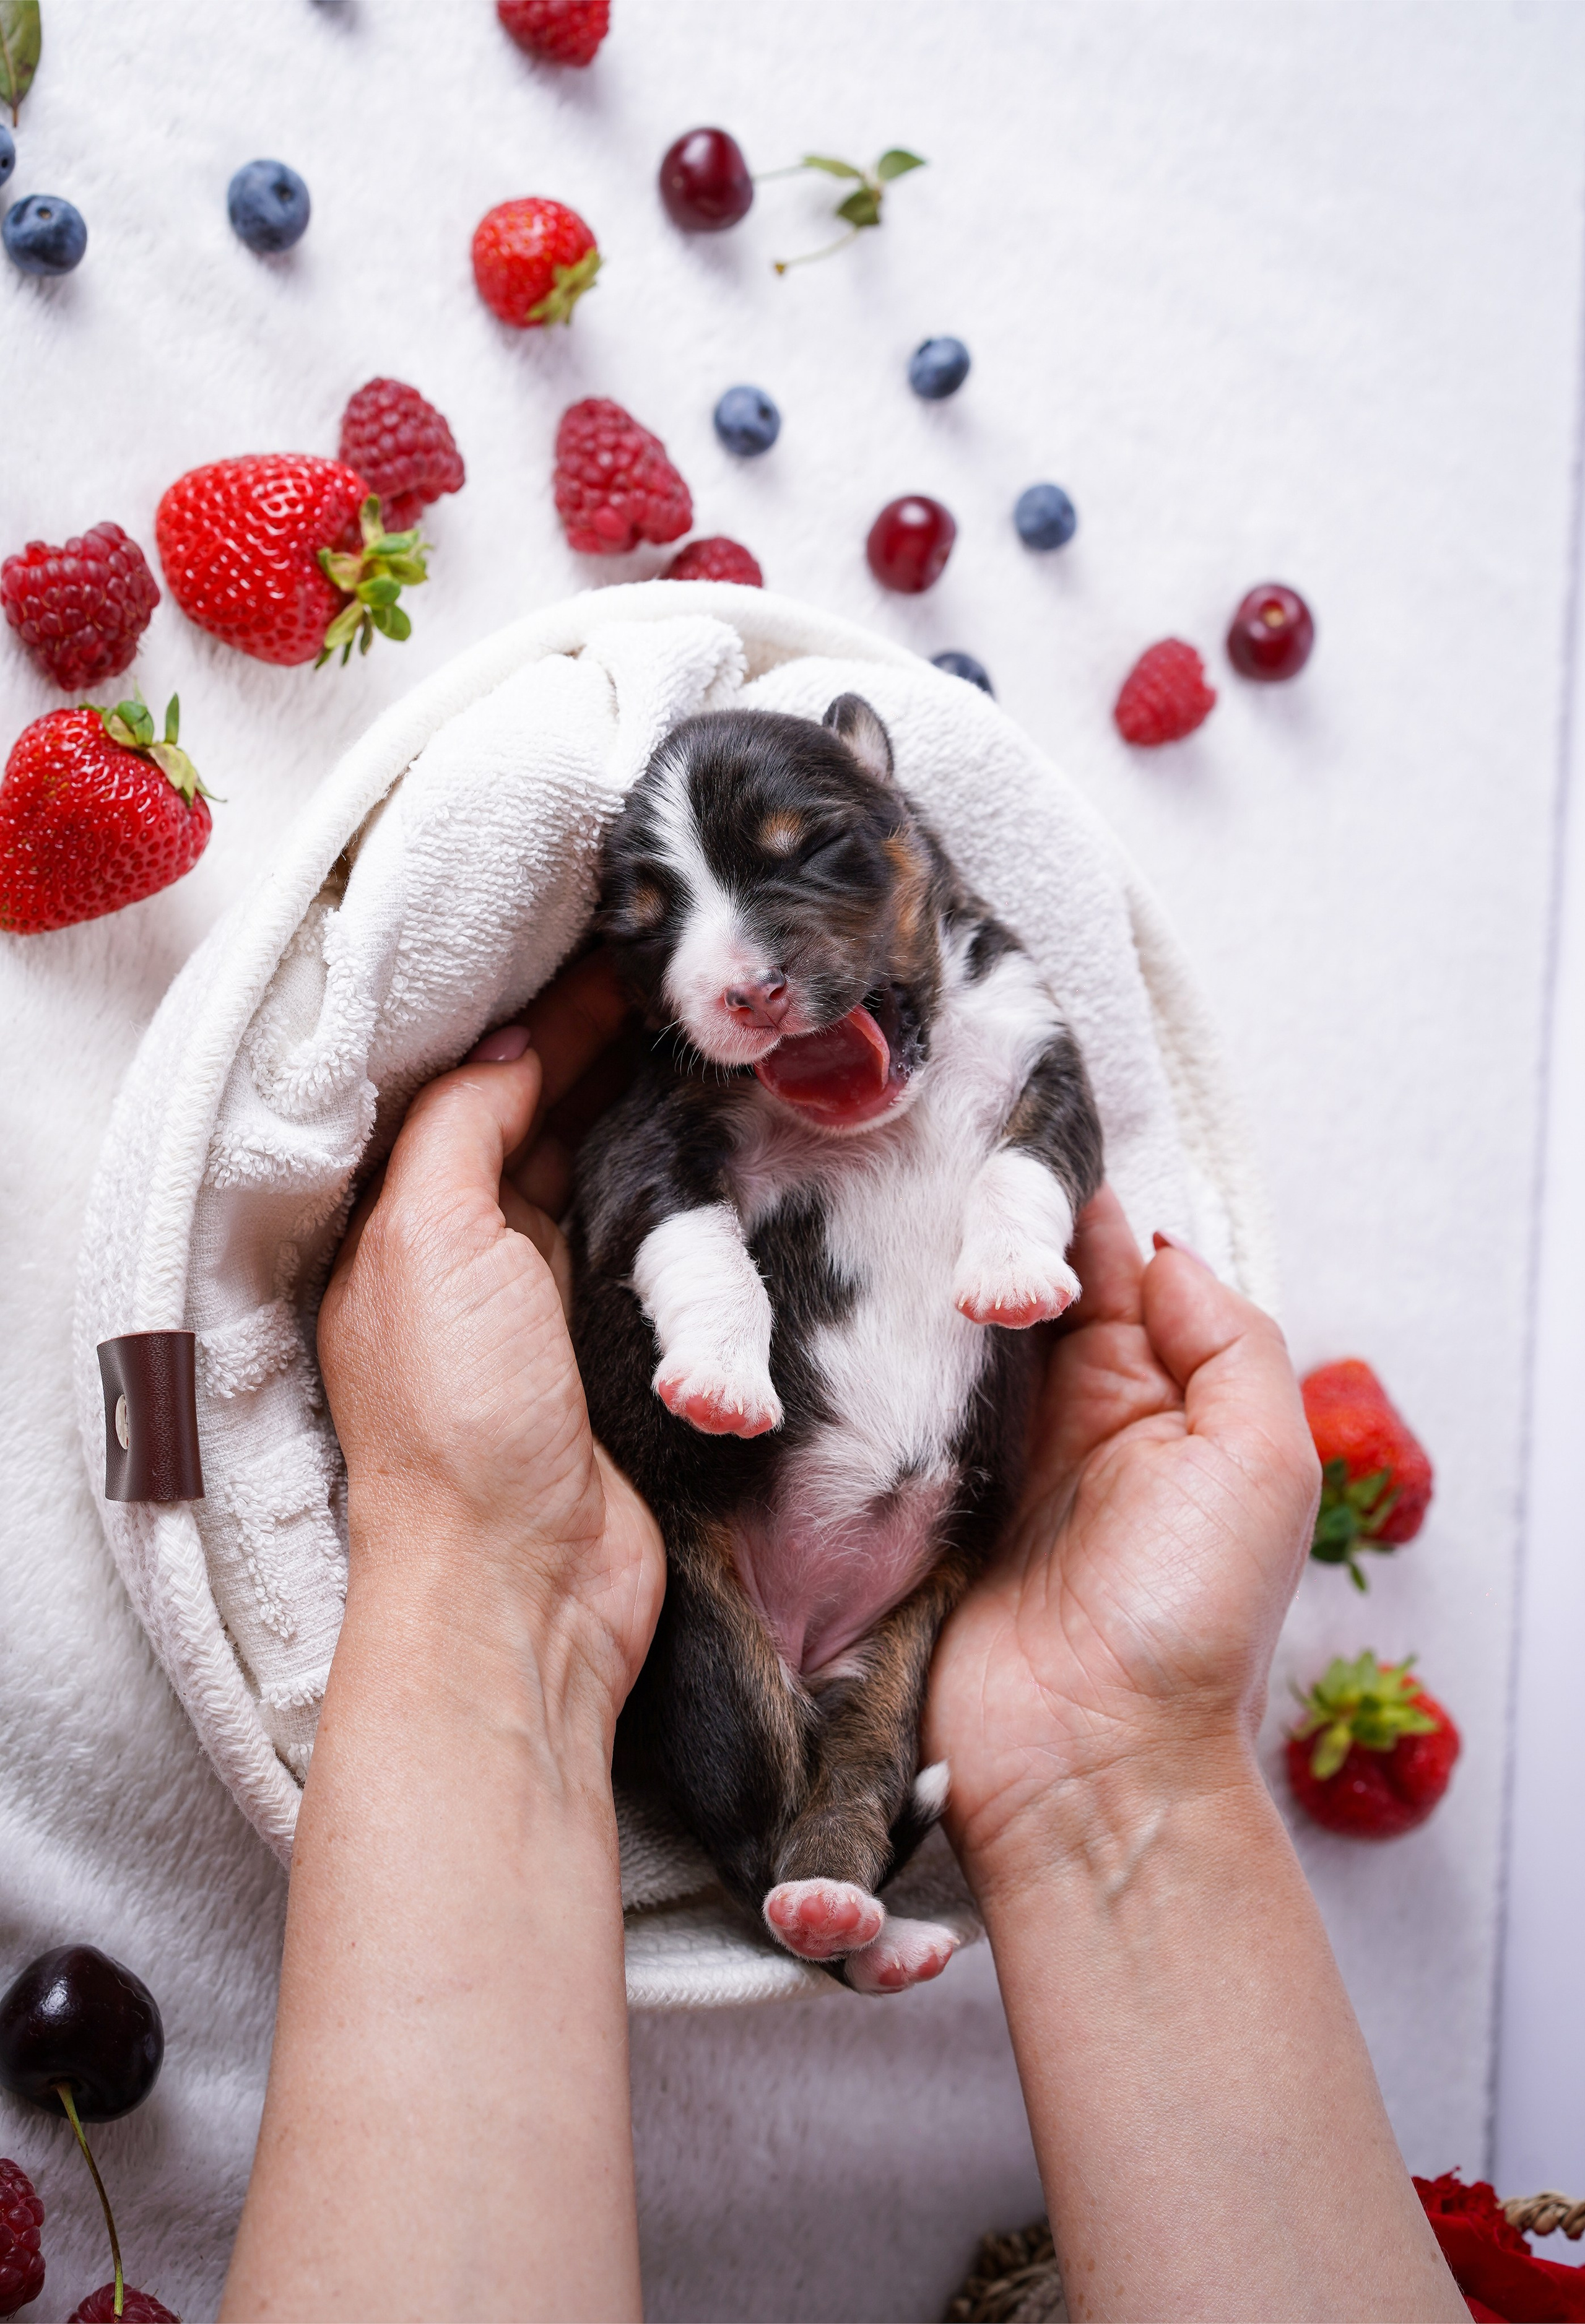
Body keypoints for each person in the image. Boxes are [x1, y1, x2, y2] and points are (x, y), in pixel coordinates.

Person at [219, 955, 1465, 2324]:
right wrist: (1124, 1775)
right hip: (735, 1520)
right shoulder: (697, 1106)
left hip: (917, 1537)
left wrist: (475, 1572)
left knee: (856, 1738)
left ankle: (822, 1858)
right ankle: (798, 1858)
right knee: (748, 1720)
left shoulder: (984, 1027)